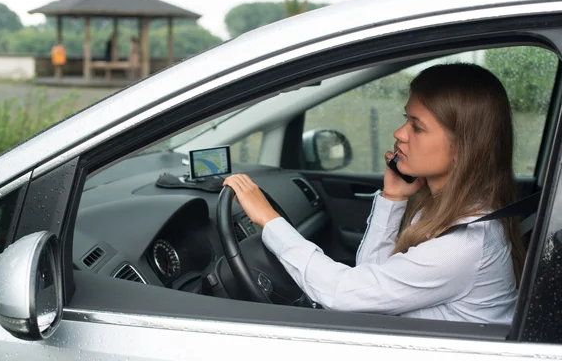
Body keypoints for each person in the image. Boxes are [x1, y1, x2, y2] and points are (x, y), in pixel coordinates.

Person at [223, 63, 526, 324]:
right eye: (406, 119)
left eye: (417, 127)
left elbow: (342, 293)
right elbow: (372, 282)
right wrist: (393, 198)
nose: (399, 134)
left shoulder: (463, 242)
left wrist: (269, 220)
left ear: (462, 148)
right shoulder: (443, 210)